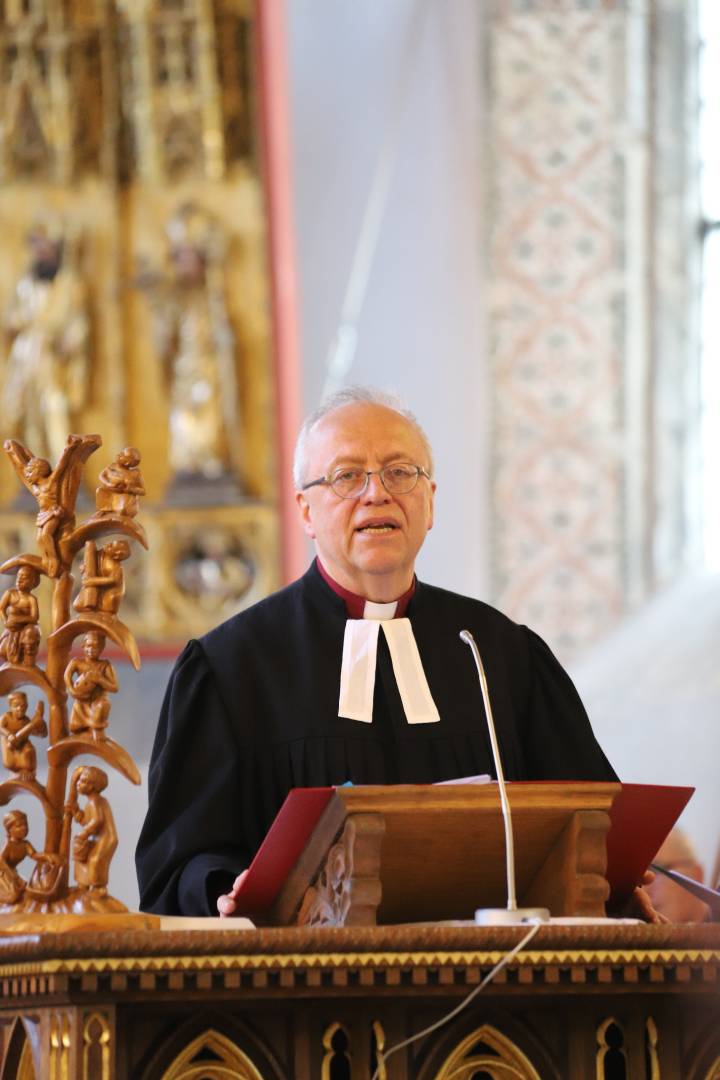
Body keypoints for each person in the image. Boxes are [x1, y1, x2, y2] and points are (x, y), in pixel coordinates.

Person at [136, 388, 619, 917]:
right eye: (346, 476)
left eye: (399, 472)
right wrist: (222, 890)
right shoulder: (231, 668)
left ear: (430, 501)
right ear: (306, 510)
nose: (376, 494)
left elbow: (592, 825)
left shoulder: (498, 652)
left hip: (488, 980)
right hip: (305, 991)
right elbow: (179, 862)